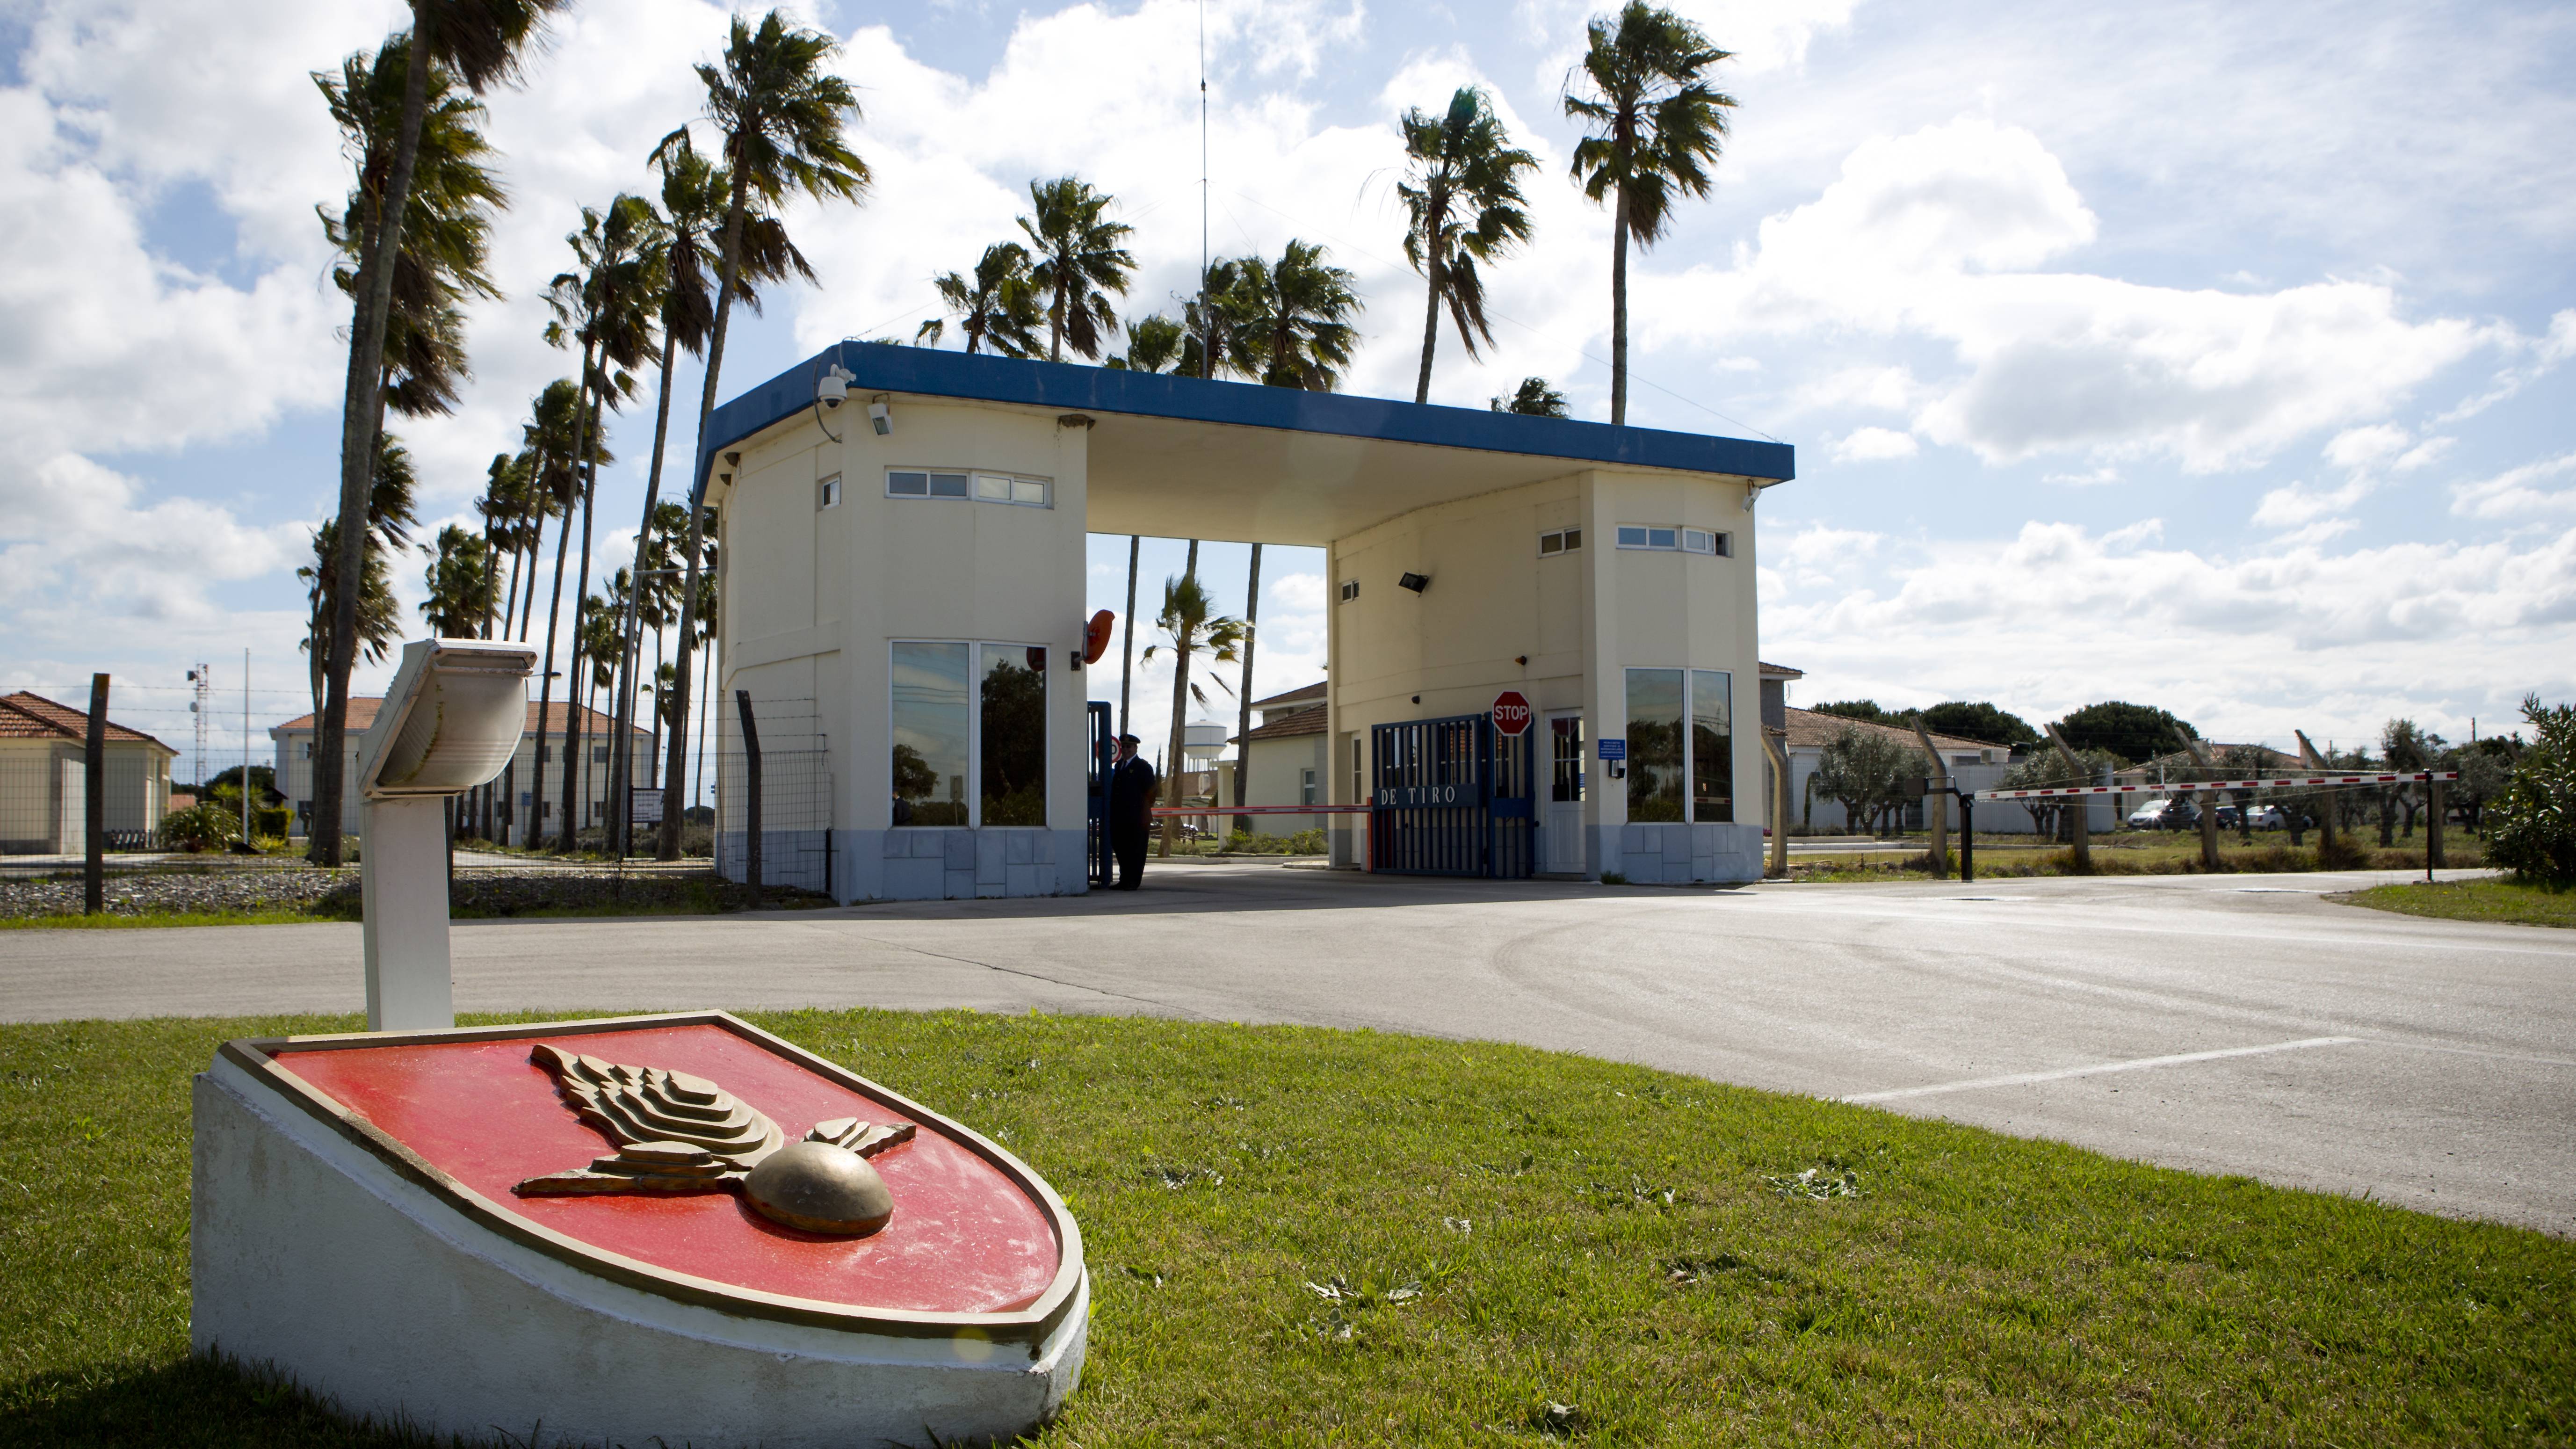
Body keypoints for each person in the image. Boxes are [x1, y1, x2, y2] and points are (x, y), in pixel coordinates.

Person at [1107, 733, 1156, 891]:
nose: (1126, 749)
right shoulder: (1119, 766)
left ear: (1136, 748)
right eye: (1124, 747)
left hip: (1138, 818)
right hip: (1121, 817)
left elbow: (1152, 792)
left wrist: (1141, 810)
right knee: (1121, 847)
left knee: (1136, 850)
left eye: (1129, 747)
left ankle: (1133, 882)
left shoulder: (1143, 767)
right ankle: (1125, 879)